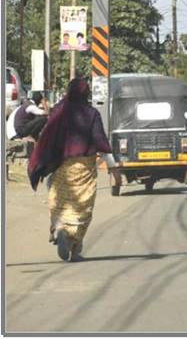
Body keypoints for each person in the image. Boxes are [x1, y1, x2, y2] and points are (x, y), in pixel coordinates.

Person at [27, 77, 121, 262]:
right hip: (85, 167)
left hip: (64, 165)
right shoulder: (92, 113)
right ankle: (74, 245)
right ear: (86, 93)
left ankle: (61, 227)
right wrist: (113, 168)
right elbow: (100, 142)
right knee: (84, 205)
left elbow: (48, 136)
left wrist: (41, 160)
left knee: (57, 199)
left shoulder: (60, 110)